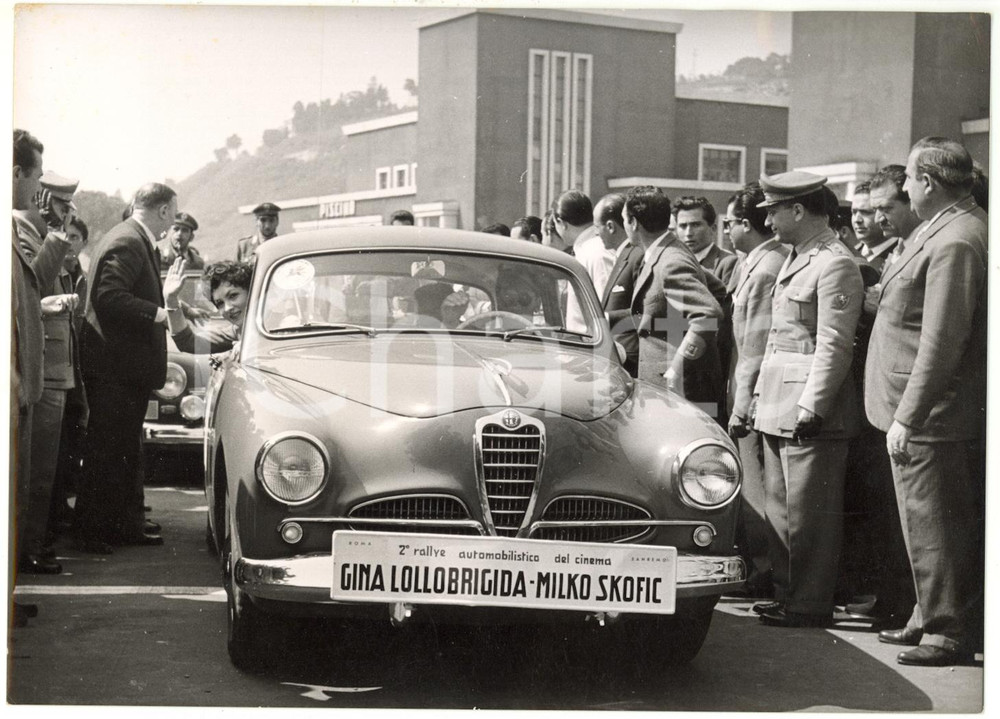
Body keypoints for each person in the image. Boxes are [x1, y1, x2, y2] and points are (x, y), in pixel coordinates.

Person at [865, 137, 986, 666]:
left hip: (930, 413)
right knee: (923, 520)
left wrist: (907, 417)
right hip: (914, 405)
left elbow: (941, 341)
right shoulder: (943, 228)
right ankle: (927, 612)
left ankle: (946, 629)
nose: (906, 187)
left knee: (934, 520)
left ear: (929, 183)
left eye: (910, 179)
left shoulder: (957, 238)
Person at [750, 171, 864, 629]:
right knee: (783, 508)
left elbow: (834, 344)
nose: (769, 220)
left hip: (807, 408)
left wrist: (812, 406)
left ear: (797, 210)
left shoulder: (834, 262)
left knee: (809, 515)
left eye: (773, 211)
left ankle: (808, 603)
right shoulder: (799, 257)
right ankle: (789, 595)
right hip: (780, 399)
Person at [75, 183, 178, 554]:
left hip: (120, 368)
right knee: (108, 451)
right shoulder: (130, 241)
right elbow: (109, 296)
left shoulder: (129, 237)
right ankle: (93, 531)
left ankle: (114, 526)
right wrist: (157, 313)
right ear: (164, 211)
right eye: (173, 213)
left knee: (118, 451)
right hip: (116, 369)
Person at [11, 129, 74, 625]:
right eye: (36, 179)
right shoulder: (18, 227)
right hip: (28, 374)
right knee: (25, 481)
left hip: (36, 372)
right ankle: (26, 556)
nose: (40, 194)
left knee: (32, 479)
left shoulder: (21, 225)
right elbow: (35, 288)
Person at [15, 172, 84, 575]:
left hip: (56, 368)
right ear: (42, 200)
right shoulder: (25, 233)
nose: (66, 214)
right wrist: (57, 235)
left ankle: (34, 543)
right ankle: (29, 549)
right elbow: (35, 286)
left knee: (45, 472)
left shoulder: (39, 234)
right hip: (44, 368)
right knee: (36, 474)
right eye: (60, 205)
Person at [724, 183, 789, 598]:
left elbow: (756, 343)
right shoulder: (754, 263)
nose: (726, 230)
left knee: (759, 490)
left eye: (729, 222)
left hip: (757, 393)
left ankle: (767, 572)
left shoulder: (767, 268)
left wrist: (742, 401)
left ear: (746, 225)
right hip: (746, 387)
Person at [624, 186, 723, 412]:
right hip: (665, 389)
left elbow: (709, 314)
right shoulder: (667, 253)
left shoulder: (670, 261)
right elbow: (718, 291)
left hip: (678, 392)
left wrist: (678, 367)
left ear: (634, 223)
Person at [49, 216, 91, 544]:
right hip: (57, 367)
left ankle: (62, 504)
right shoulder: (56, 274)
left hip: (75, 367)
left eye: (76, 238)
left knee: (72, 438)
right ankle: (54, 511)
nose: (70, 243)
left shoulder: (81, 278)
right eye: (67, 236)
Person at [594, 193, 642, 377]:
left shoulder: (636, 256)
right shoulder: (624, 255)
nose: (596, 233)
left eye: (596, 227)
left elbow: (646, 310)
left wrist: (607, 318)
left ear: (610, 226)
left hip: (629, 360)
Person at [165, 260, 250, 354]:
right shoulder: (238, 331)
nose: (227, 308)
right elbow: (189, 343)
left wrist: (252, 347)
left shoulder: (267, 323)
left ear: (251, 292)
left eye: (233, 296)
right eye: (220, 303)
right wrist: (171, 300)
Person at [671, 196, 738, 286]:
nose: (688, 233)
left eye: (695, 225)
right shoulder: (674, 263)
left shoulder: (727, 263)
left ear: (713, 228)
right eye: (683, 226)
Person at [851, 181, 897, 272]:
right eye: (854, 212)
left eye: (866, 212)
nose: (857, 220)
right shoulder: (851, 254)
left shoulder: (899, 253)